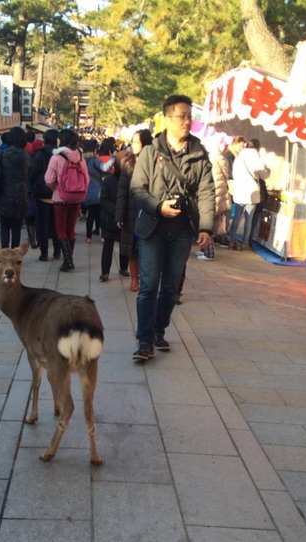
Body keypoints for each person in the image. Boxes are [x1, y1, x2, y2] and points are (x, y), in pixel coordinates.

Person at [130, 94, 215, 360]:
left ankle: (158, 330)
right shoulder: (149, 152)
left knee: (170, 288)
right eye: (182, 116)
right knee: (148, 286)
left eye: (190, 116)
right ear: (167, 119)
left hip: (181, 231)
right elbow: (137, 190)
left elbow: (206, 192)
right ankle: (144, 341)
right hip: (153, 229)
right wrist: (158, 206)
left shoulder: (199, 153)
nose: (188, 121)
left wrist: (206, 227)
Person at [44, 128, 90, 272]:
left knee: (60, 230)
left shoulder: (56, 157)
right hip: (77, 198)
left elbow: (49, 179)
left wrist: (54, 188)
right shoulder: (80, 157)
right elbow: (86, 179)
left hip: (61, 197)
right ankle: (68, 258)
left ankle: (68, 262)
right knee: (70, 229)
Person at [116, 129, 153, 291]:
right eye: (133, 141)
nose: (134, 145)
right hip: (131, 210)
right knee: (132, 248)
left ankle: (146, 278)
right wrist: (119, 215)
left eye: (137, 142)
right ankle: (134, 279)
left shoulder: (154, 161)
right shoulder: (128, 162)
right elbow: (122, 191)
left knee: (147, 247)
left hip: (148, 210)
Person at [228, 138, 270, 251]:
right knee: (249, 219)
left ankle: (231, 240)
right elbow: (264, 175)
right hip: (252, 191)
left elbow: (234, 173)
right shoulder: (257, 159)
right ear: (257, 147)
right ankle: (245, 243)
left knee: (237, 217)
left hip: (240, 189)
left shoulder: (239, 157)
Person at [0, 126, 30, 249]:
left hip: (4, 194)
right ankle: (15, 253)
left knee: (4, 226)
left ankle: (4, 252)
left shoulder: (3, 153)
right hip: (21, 195)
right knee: (17, 228)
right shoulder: (26, 155)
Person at [29, 128, 61, 262]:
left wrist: (33, 187)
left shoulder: (40, 154)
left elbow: (33, 173)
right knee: (56, 224)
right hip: (57, 194)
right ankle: (57, 251)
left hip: (42, 194)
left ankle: (44, 253)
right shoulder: (61, 155)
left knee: (42, 224)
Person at [98, 156, 125, 281]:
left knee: (124, 245)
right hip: (110, 218)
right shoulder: (109, 180)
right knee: (108, 246)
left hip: (119, 218)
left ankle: (124, 268)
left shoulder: (130, 181)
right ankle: (105, 272)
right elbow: (103, 199)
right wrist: (118, 211)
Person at [83, 140, 114, 243]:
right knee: (100, 215)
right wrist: (113, 157)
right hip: (97, 192)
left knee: (90, 215)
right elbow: (105, 168)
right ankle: (103, 236)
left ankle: (88, 237)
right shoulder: (94, 161)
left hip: (86, 192)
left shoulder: (82, 161)